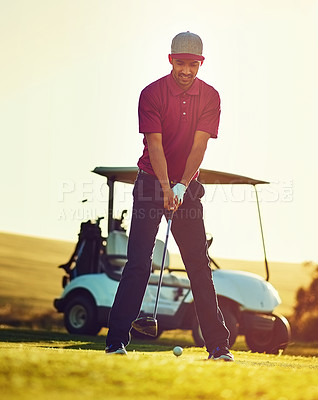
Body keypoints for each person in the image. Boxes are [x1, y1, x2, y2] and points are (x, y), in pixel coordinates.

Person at [105, 31, 233, 361]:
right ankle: (116, 340)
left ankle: (218, 347)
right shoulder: (152, 94)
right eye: (181, 63)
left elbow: (199, 145)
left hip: (187, 186)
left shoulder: (211, 96)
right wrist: (165, 188)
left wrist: (181, 187)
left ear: (201, 63)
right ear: (170, 59)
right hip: (150, 184)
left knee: (198, 266)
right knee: (138, 264)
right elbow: (155, 145)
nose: (187, 70)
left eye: (194, 64)